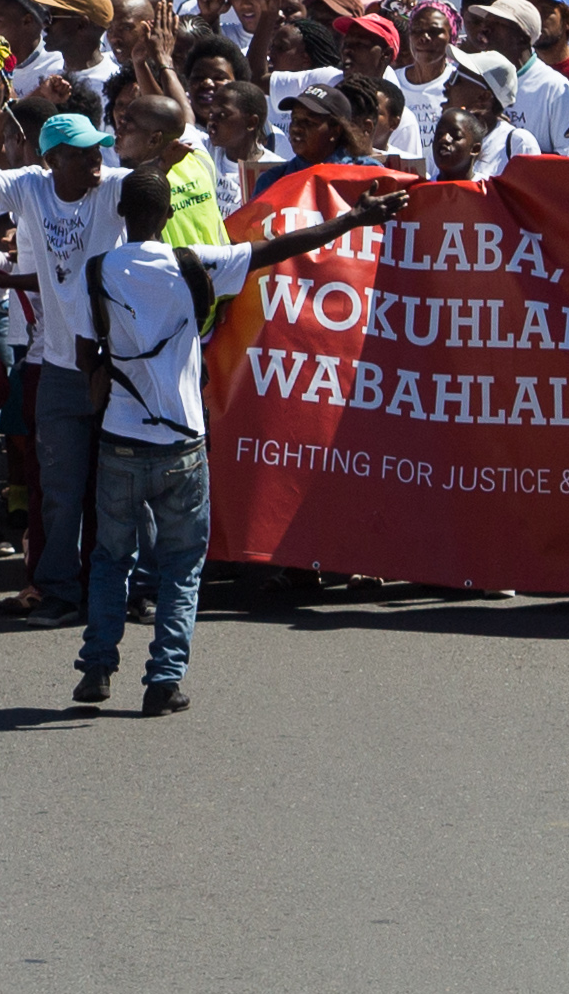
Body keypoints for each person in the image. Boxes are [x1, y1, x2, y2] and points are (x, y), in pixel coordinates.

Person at [65, 161, 402, 714]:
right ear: (169, 215)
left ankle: (97, 666)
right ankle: (163, 681)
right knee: (181, 565)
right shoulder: (193, 264)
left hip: (119, 439)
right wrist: (353, 221)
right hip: (183, 444)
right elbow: (282, 247)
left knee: (110, 558)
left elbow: (84, 356)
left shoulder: (96, 270)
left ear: (122, 214)